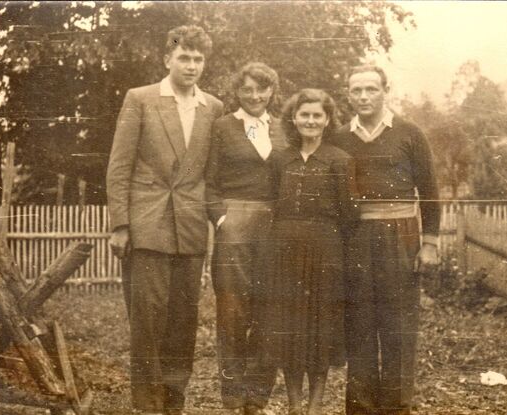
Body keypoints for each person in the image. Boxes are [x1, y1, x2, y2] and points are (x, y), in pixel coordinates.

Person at [106, 25, 223, 415]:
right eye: (184, 57)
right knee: (148, 318)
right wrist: (121, 224)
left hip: (190, 227)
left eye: (198, 59)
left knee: (183, 319)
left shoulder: (214, 108)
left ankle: (174, 399)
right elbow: (119, 165)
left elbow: (213, 173)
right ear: (167, 59)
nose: (191, 65)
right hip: (147, 225)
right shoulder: (140, 99)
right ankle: (147, 403)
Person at [330, 65, 440, 415]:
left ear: (384, 90)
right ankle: (360, 408)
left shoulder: (409, 133)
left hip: (401, 236)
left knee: (399, 326)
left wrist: (431, 242)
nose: (363, 97)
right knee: (359, 323)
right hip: (356, 238)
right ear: (348, 94)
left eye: (371, 89)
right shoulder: (338, 138)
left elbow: (431, 191)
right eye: (356, 90)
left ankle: (396, 408)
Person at [260, 89, 358, 415]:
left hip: (325, 254)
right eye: (305, 114)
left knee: (320, 329)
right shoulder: (279, 159)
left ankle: (315, 405)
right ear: (294, 118)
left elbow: (349, 215)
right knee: (289, 328)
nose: (311, 121)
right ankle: (294, 405)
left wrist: (330, 248)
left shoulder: (339, 160)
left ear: (327, 120)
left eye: (317, 115)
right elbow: (271, 204)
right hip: (284, 252)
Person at [205, 62, 287, 415]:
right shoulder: (222, 127)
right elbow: (208, 182)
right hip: (235, 225)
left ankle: (257, 398)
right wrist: (223, 218)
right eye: (247, 90)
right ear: (237, 93)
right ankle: (232, 396)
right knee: (233, 311)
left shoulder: (285, 128)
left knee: (272, 310)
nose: (255, 96)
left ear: (272, 91)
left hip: (275, 226)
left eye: (262, 89)